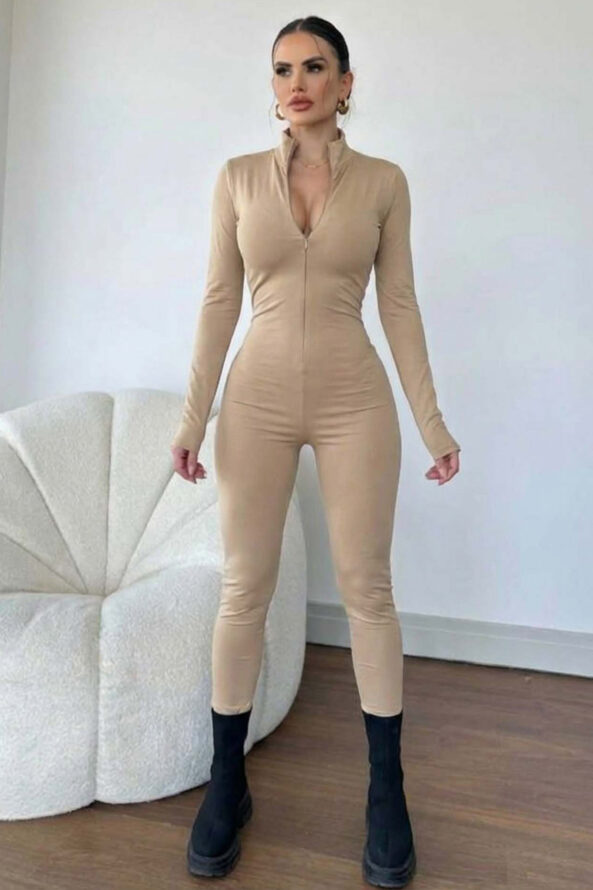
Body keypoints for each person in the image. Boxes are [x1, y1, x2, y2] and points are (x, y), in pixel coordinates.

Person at [170, 15, 460, 887]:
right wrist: (191, 419)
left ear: (345, 82)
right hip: (253, 402)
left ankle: (385, 793)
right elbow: (218, 301)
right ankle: (227, 782)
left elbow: (398, 304)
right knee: (243, 588)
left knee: (368, 589)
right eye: (282, 69)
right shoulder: (235, 179)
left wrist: (431, 423)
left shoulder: (383, 183)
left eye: (314, 66)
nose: (295, 83)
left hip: (352, 401)